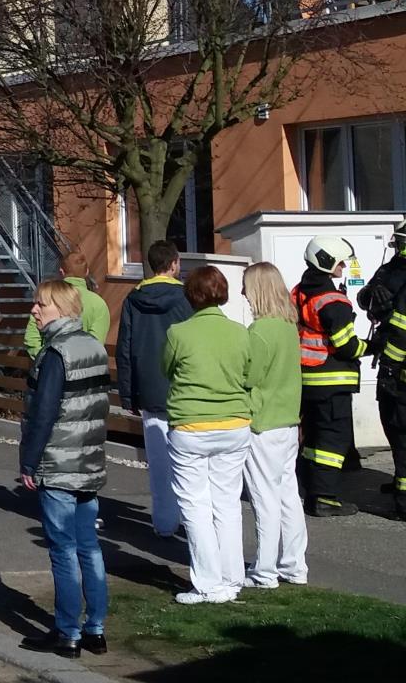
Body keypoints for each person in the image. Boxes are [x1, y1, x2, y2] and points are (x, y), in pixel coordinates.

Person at [18, 279, 110, 660]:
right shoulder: (94, 346)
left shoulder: (54, 353)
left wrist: (28, 461)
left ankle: (68, 631)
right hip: (88, 461)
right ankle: (96, 629)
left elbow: (43, 413)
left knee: (64, 549)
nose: (34, 311)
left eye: (41, 305)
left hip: (58, 463)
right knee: (89, 547)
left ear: (61, 307)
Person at [163, 266, 251, 604]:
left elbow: (166, 369)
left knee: (195, 506)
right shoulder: (241, 332)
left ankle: (209, 584)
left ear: (191, 296)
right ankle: (231, 579)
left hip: (191, 426)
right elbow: (250, 374)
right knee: (227, 504)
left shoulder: (178, 333)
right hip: (234, 424)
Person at [115, 241, 193, 537]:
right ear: (174, 263)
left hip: (148, 385)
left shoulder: (132, 298)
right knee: (188, 462)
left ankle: (163, 522)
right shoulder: (186, 297)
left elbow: (125, 347)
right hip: (183, 386)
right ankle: (190, 517)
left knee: (158, 462)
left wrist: (127, 393)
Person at [241, 262, 308, 586]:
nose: (243, 293)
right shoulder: (287, 326)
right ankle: (294, 565)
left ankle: (265, 570)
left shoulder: (260, 331)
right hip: (287, 420)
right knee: (287, 495)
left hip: (262, 423)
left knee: (264, 497)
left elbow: (249, 377)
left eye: (246, 287)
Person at [293, 235, 368, 517]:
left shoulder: (300, 291)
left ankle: (311, 492)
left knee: (313, 440)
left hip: (307, 379)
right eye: (340, 262)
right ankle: (325, 499)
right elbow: (347, 346)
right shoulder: (333, 300)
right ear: (326, 261)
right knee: (333, 443)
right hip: (332, 381)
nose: (344, 267)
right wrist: (372, 346)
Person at [358, 224, 406, 521]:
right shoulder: (391, 268)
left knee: (401, 433)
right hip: (393, 367)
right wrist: (373, 296)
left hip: (397, 370)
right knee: (395, 429)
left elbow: (401, 330)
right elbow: (366, 299)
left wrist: (389, 364)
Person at [24, 271, 110, 359]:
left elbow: (32, 339)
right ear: (87, 271)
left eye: (41, 305)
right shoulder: (99, 302)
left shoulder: (57, 355)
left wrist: (44, 360)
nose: (34, 310)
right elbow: (95, 343)